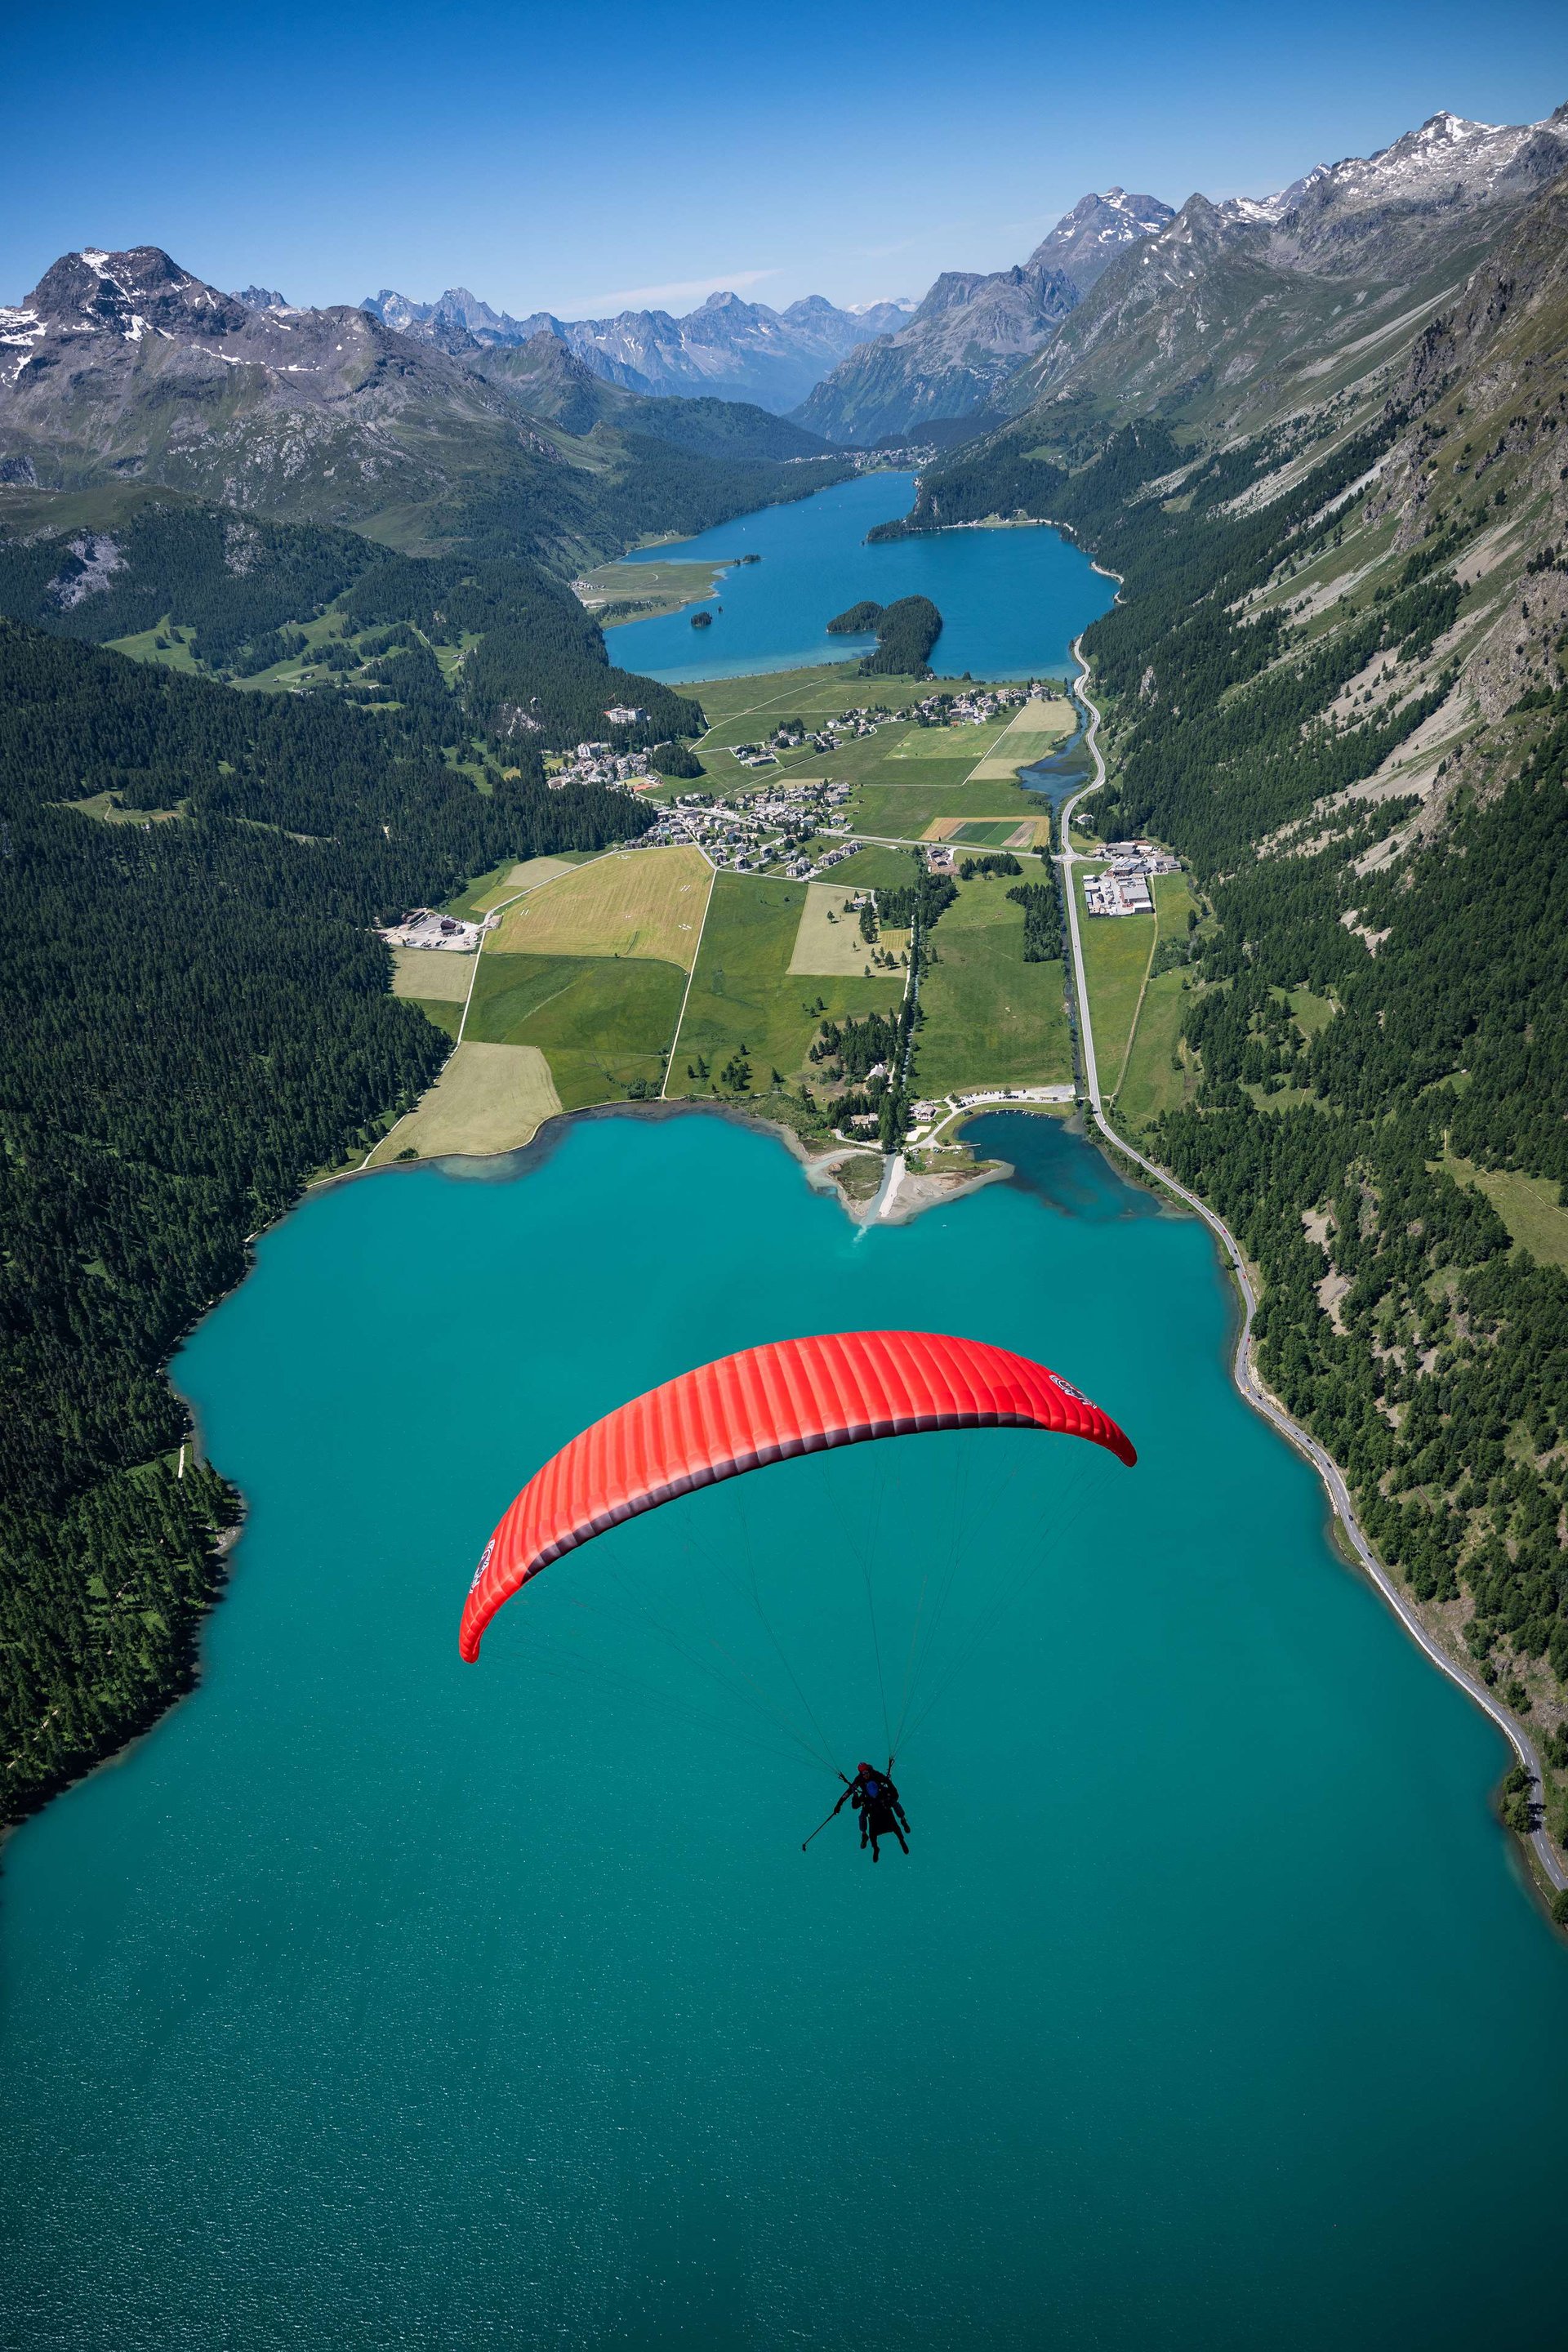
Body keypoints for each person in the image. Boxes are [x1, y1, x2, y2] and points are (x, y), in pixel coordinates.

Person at [831, 1760, 910, 1862]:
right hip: (868, 1799)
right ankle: (864, 1835)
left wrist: (894, 1793)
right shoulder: (859, 1780)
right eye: (863, 1773)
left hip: (881, 1795)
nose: (865, 1775)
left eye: (866, 1772)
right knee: (862, 1815)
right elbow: (849, 1792)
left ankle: (903, 1820)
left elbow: (887, 1782)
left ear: (869, 1770)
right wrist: (839, 1804)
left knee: (894, 1803)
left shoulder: (876, 1775)